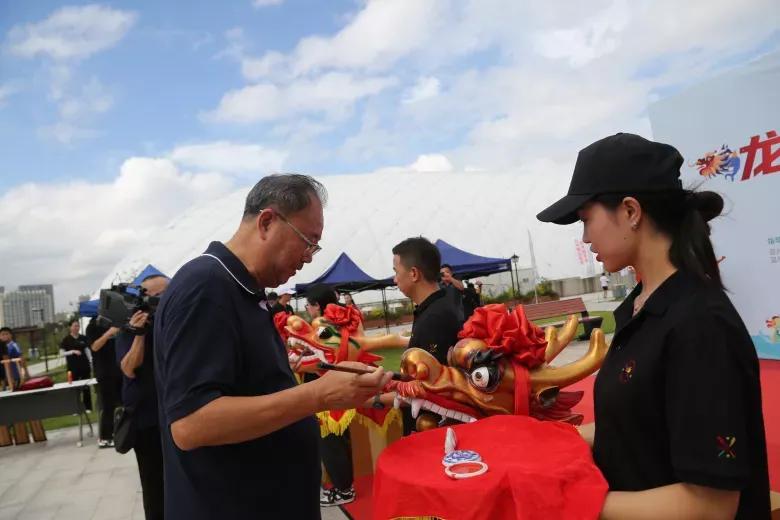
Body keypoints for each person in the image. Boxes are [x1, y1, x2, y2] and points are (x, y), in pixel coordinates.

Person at [537, 132, 769, 519]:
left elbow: (711, 506)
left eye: (586, 219)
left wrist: (572, 504)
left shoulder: (699, 324)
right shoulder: (638, 307)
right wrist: (548, 444)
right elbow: (632, 428)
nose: (584, 237)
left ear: (630, 211)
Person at [154, 174, 390, 519]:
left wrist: (336, 382)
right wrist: (318, 396)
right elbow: (191, 424)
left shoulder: (244, 289)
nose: (309, 257)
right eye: (307, 241)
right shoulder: (206, 287)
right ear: (267, 222)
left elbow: (253, 382)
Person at [392, 237, 462, 435]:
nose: (395, 279)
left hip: (437, 428)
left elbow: (429, 387)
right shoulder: (433, 308)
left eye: (396, 272)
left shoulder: (436, 316)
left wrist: (374, 398)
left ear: (413, 273)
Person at [116, 275, 168, 520]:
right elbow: (128, 367)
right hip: (147, 420)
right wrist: (140, 334)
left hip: (177, 414)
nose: (162, 300)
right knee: (155, 486)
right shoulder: (129, 327)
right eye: (156, 296)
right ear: (144, 299)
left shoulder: (176, 321)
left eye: (167, 293)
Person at [304, 283, 357, 507]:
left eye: (308, 305)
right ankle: (344, 484)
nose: (306, 309)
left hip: (327, 392)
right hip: (339, 389)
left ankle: (344, 489)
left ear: (317, 306)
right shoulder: (337, 323)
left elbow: (322, 363)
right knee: (337, 442)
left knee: (330, 442)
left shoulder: (323, 328)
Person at [86, 318, 122, 448]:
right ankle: (105, 437)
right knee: (108, 405)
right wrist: (108, 334)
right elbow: (94, 347)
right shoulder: (93, 326)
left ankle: (122, 432)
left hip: (119, 369)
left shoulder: (115, 322)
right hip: (105, 372)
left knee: (125, 403)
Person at [59, 319, 92, 412]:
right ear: (70, 327)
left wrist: (91, 362)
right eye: (74, 326)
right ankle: (75, 409)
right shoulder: (66, 340)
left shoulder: (83, 338)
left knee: (86, 387)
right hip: (72, 368)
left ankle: (88, 407)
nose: (76, 328)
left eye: (78, 326)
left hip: (85, 367)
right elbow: (61, 353)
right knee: (74, 389)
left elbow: (87, 351)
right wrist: (72, 351)